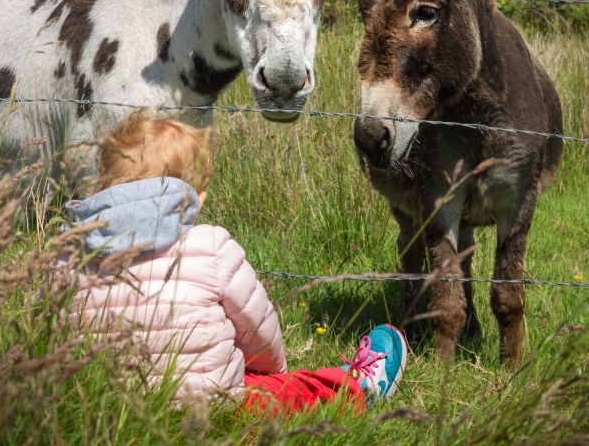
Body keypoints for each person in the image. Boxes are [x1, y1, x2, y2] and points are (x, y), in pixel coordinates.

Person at [62, 109, 407, 413]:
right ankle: (361, 385)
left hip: (106, 408)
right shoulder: (210, 247)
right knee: (295, 391)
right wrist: (272, 370)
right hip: (212, 407)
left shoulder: (69, 254)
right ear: (193, 197)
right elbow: (259, 331)